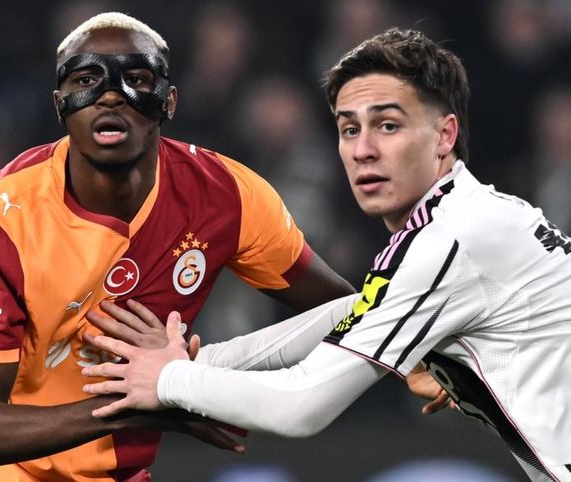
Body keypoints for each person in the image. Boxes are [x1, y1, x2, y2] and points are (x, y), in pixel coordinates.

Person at [81, 28, 571, 482]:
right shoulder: (472, 217)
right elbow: (349, 312)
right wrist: (195, 360)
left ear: (444, 136)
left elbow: (301, 408)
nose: (363, 150)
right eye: (349, 129)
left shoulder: (452, 238)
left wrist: (169, 379)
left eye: (388, 126)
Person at [0, 11, 358, 482]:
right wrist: (145, 402)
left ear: (169, 101)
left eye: (136, 79)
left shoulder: (227, 197)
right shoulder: (0, 219)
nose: (110, 95)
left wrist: (197, 382)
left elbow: (350, 317)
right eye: (87, 80)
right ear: (60, 105)